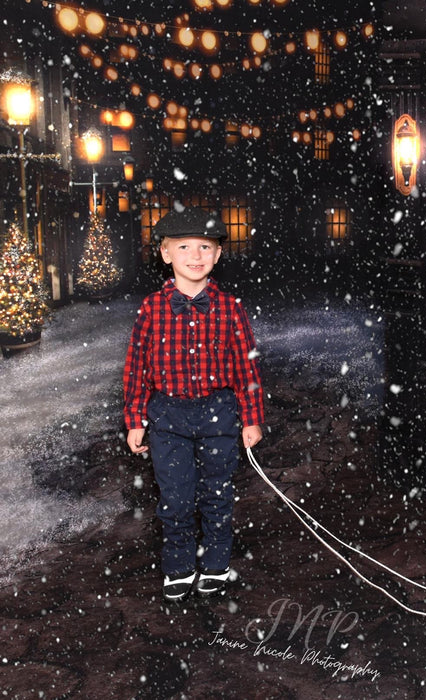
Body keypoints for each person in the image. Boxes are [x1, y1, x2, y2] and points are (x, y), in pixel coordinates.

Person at [123, 206, 264, 602]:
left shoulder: (230, 308)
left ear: (218, 254)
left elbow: (246, 369)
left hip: (219, 412)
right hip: (167, 416)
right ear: (166, 254)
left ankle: (216, 563)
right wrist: (136, 419)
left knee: (217, 494)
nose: (195, 255)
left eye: (205, 246)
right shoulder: (151, 309)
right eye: (184, 246)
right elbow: (136, 369)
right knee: (177, 497)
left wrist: (251, 419)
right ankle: (179, 565)